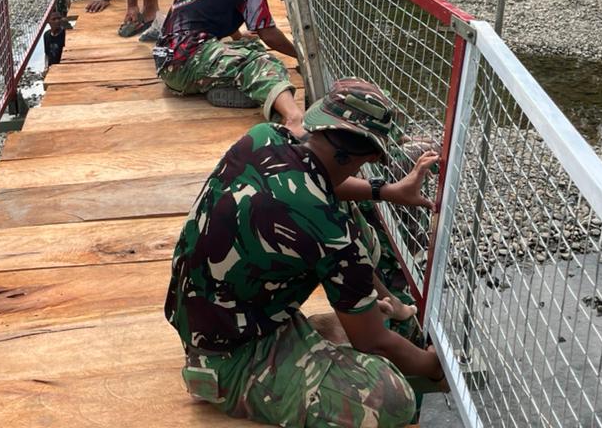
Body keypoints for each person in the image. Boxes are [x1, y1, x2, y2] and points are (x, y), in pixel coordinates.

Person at [165, 78, 445, 428]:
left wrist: (387, 191)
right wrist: (434, 367)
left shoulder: (263, 136)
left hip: (206, 314)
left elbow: (319, 183)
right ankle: (237, 381)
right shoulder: (333, 237)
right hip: (230, 358)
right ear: (369, 156)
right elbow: (375, 343)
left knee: (348, 217)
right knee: (389, 398)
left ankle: (342, 326)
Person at [153, 0, 303, 129]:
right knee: (263, 62)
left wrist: (239, 38)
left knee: (251, 45)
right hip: (186, 62)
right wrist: (302, 56)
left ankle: (216, 86)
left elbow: (212, 5)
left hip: (166, 59)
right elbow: (269, 34)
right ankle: (293, 118)